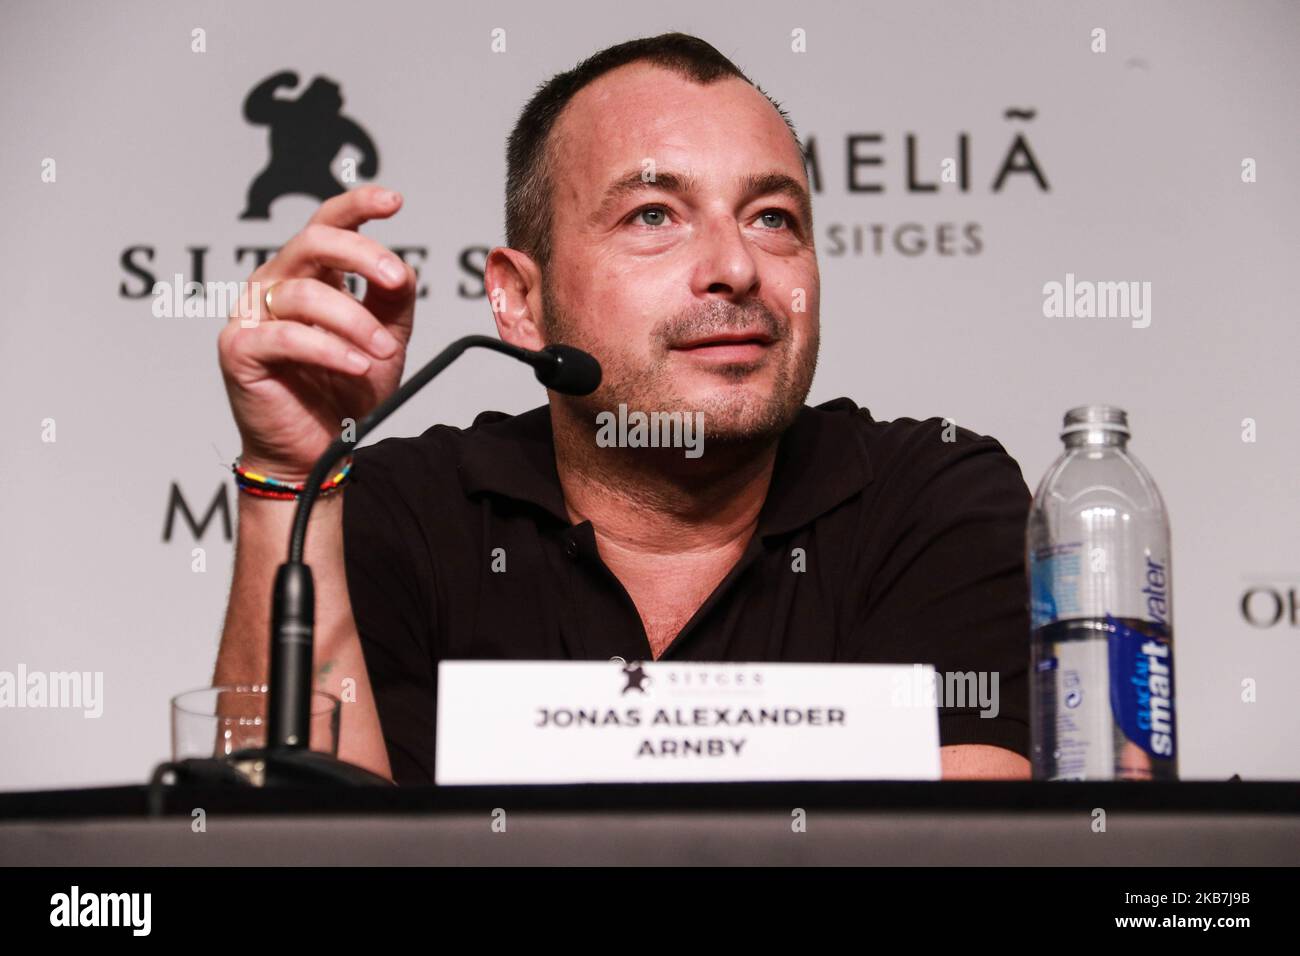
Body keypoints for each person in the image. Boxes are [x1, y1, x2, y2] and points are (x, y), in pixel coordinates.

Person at [215, 33, 1032, 784]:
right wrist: (292, 474)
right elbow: (290, 840)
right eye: (654, 215)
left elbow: (961, 853)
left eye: (772, 218)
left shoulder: (936, 499)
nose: (735, 267)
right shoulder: (405, 512)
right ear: (520, 300)